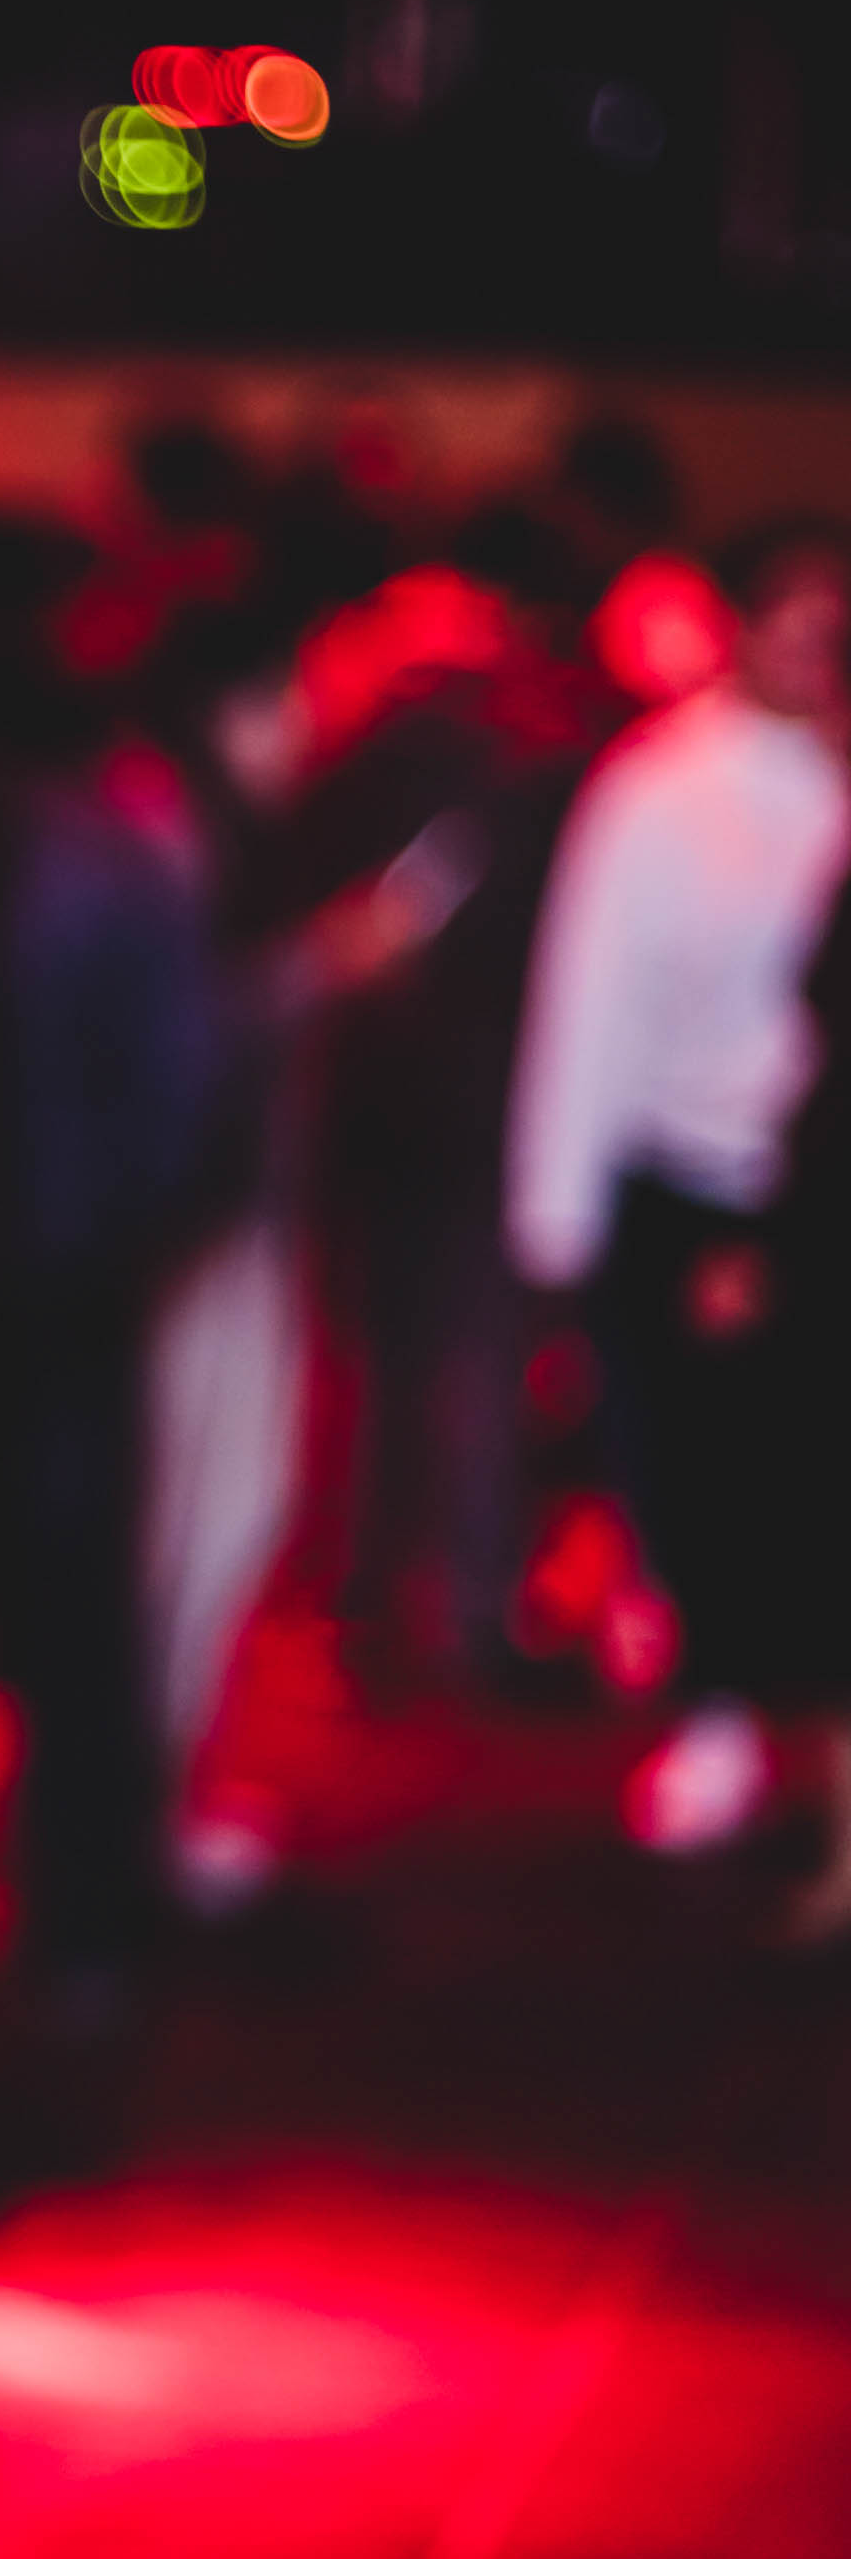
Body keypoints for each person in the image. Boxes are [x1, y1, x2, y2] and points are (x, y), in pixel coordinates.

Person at [505, 521, 851, 1852]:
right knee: (698, 1466)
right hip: (694, 1174)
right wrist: (557, 1212)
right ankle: (718, 1713)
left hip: (819, 1186)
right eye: (789, 616)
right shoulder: (661, 789)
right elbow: (589, 999)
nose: (813, 646)